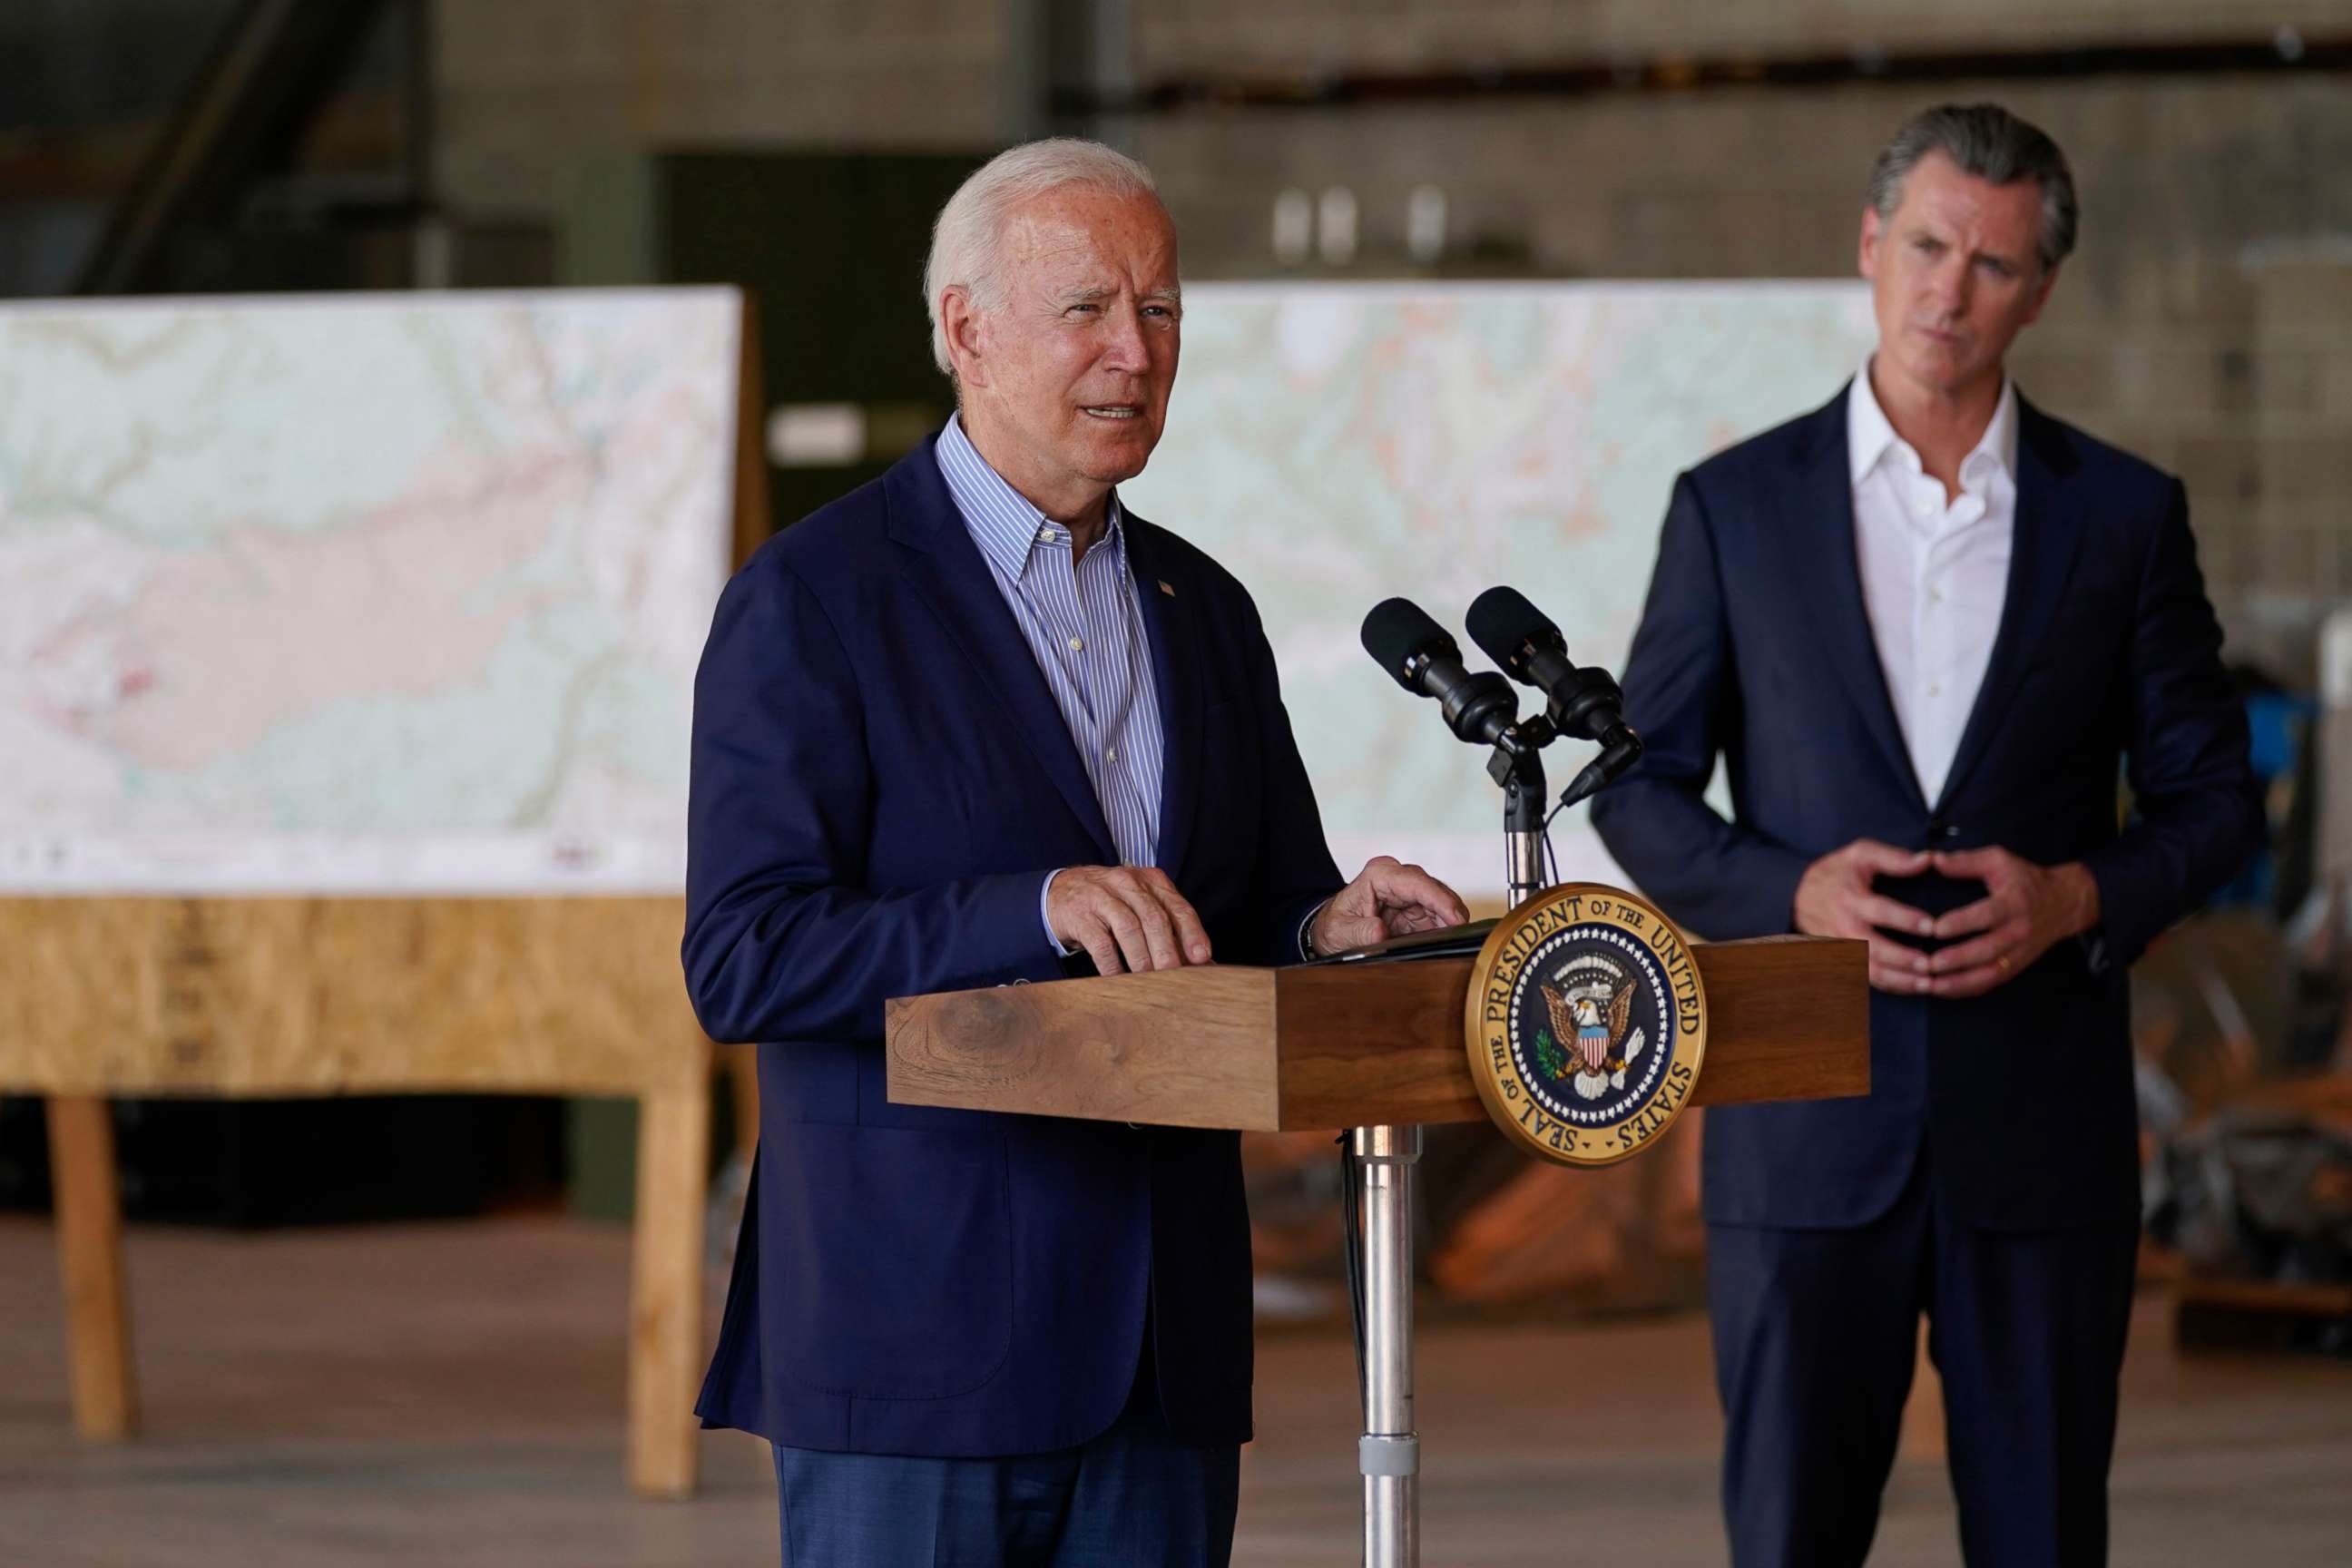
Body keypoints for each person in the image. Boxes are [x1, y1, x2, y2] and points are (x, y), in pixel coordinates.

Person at [681, 138, 1465, 1568]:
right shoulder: (815, 600)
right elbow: (744, 960)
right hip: (917, 1351)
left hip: (1160, 1358)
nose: (1137, 351)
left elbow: (1256, 899)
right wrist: (1032, 907)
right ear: (966, 331)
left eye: (1162, 310)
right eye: (1089, 309)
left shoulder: (1206, 609)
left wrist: (1333, 928)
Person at [1589, 103, 2261, 1567]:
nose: (1951, 292)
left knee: (2040, 1541)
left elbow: (2220, 802)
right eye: (1930, 247)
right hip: (1802, 1135)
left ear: (2043, 289)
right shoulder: (1734, 507)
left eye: (1996, 264)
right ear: (1871, 245)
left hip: (2043, 1142)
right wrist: (1790, 890)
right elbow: (1635, 785)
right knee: (1789, 1540)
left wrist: (2082, 894)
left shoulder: (2127, 516)